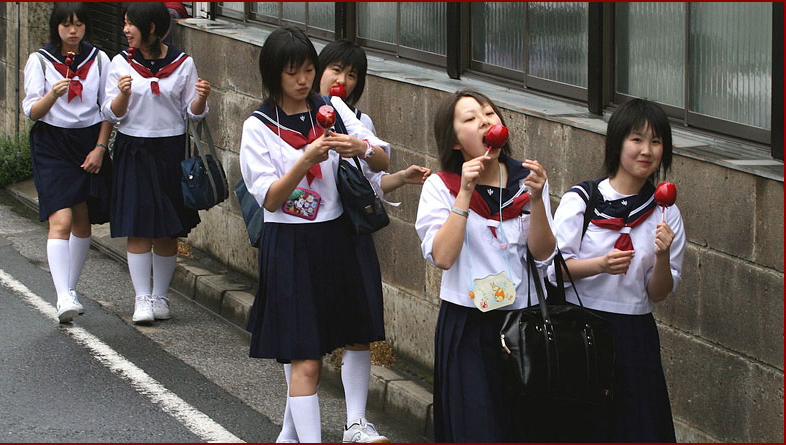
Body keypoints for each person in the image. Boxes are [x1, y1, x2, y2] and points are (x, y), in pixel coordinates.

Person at [265, 38, 431, 444]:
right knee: (302, 338)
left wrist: (367, 151)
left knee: (356, 326)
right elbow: (268, 194)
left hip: (345, 232)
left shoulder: (348, 117)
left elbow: (373, 175)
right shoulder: (268, 122)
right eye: (334, 69)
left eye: (353, 74)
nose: (342, 79)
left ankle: (355, 422)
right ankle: (293, 426)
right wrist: (307, 158)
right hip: (297, 235)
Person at [239, 26, 392, 444]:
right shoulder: (258, 127)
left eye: (308, 70)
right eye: (293, 73)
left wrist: (359, 148)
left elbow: (380, 159)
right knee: (305, 357)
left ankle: (339, 426)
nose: (304, 80)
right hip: (289, 244)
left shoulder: (331, 109)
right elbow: (271, 198)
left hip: (337, 237)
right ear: (274, 74)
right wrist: (305, 159)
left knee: (353, 334)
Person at [414, 89, 556, 442]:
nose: (484, 121)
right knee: (476, 426)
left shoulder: (527, 179)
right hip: (469, 323)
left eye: (489, 113)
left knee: (522, 427)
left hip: (522, 322)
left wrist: (538, 200)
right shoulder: (441, 186)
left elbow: (543, 254)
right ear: (455, 141)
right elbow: (442, 257)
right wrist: (465, 192)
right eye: (470, 118)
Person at [550, 98, 685, 442]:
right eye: (636, 139)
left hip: (635, 334)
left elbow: (658, 293)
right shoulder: (582, 200)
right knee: (582, 428)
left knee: (636, 428)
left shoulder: (665, 213)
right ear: (617, 143)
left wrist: (662, 256)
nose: (647, 150)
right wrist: (601, 265)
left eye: (656, 141)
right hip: (580, 327)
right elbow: (554, 270)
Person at [102, 2, 211, 325]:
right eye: (124, 23)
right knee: (138, 228)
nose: (125, 30)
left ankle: (161, 296)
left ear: (151, 28)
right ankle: (142, 298)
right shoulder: (121, 63)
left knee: (166, 230)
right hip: (133, 149)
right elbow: (110, 113)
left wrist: (201, 98)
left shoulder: (182, 63)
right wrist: (123, 95)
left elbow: (191, 114)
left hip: (169, 150)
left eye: (130, 24)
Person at [22, 2, 113, 323]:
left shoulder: (99, 59)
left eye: (78, 24)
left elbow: (108, 109)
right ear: (56, 26)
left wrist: (100, 147)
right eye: (66, 24)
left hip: (87, 143)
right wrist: (52, 95)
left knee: (82, 220)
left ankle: (70, 290)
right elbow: (32, 111)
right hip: (52, 144)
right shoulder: (40, 60)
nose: (73, 31)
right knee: (60, 219)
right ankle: (62, 295)